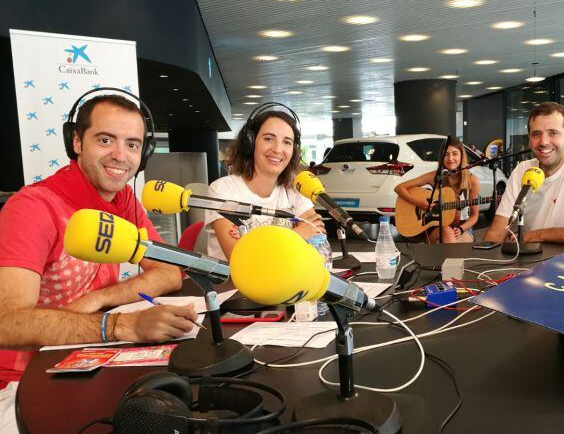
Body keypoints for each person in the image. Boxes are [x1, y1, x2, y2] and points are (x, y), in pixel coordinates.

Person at [0, 95, 192, 428]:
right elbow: (5, 322)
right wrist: (117, 325)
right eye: (106, 140)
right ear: (76, 141)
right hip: (18, 383)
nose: (120, 155)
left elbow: (168, 272)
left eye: (132, 144)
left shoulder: (124, 200)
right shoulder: (32, 207)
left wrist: (99, 298)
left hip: (87, 359)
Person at [484, 102, 564, 244]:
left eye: (553, 133)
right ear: (529, 139)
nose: (544, 142)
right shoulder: (522, 170)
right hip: (531, 262)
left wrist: (539, 235)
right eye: (536, 134)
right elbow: (497, 232)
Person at [206, 108, 325, 261]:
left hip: (288, 279)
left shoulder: (293, 189)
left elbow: (317, 238)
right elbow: (242, 259)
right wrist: (296, 235)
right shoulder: (223, 191)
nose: (277, 149)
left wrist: (255, 241)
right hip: (236, 284)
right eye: (268, 138)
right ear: (250, 142)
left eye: (287, 142)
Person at [394, 138, 480, 243]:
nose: (450, 158)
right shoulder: (435, 176)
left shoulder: (472, 180)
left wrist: (462, 229)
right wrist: (419, 203)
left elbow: (474, 216)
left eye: (455, 154)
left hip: (463, 227)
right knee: (448, 235)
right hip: (437, 226)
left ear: (462, 156)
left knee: (453, 244)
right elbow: (399, 188)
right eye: (446, 154)